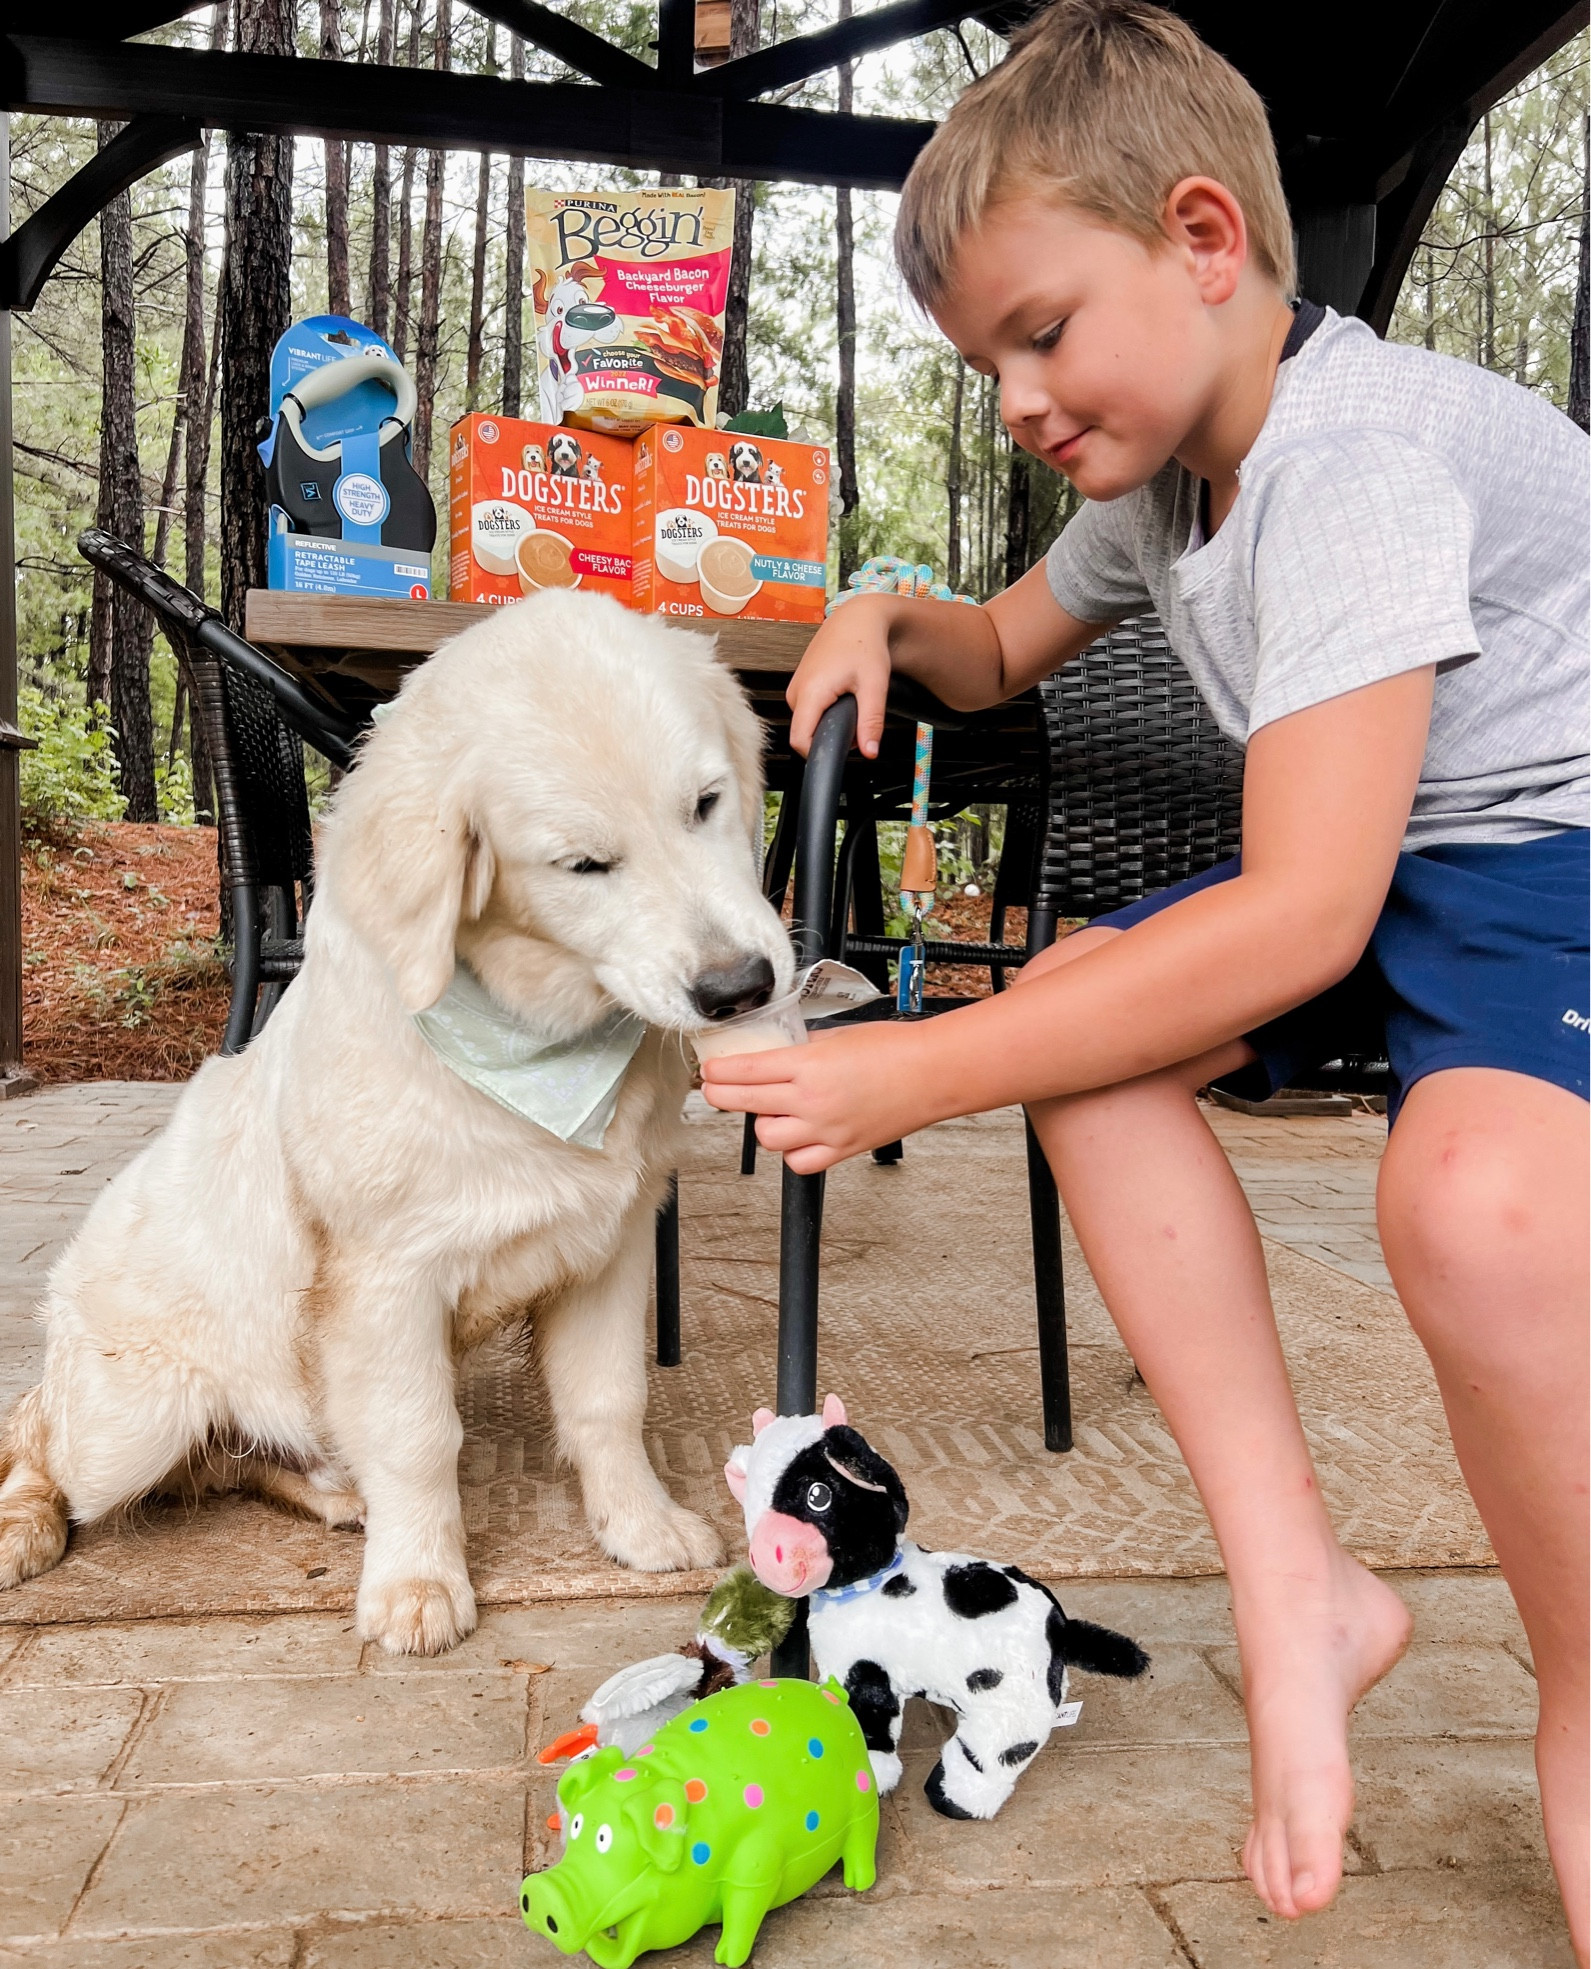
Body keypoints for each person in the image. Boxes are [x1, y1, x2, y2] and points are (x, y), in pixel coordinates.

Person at [700, 0, 1589, 1949]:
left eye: (1039, 331)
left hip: (1553, 853)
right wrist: (872, 612)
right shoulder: (1161, 479)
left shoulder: (1347, 466)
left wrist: (910, 1068)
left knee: (1482, 1210)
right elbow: (996, 645)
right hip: (1404, 850)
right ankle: (1302, 1593)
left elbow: (1298, 921)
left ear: (1203, 243)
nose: (1013, 394)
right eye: (979, 358)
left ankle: (1586, 1697)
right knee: (1097, 1036)